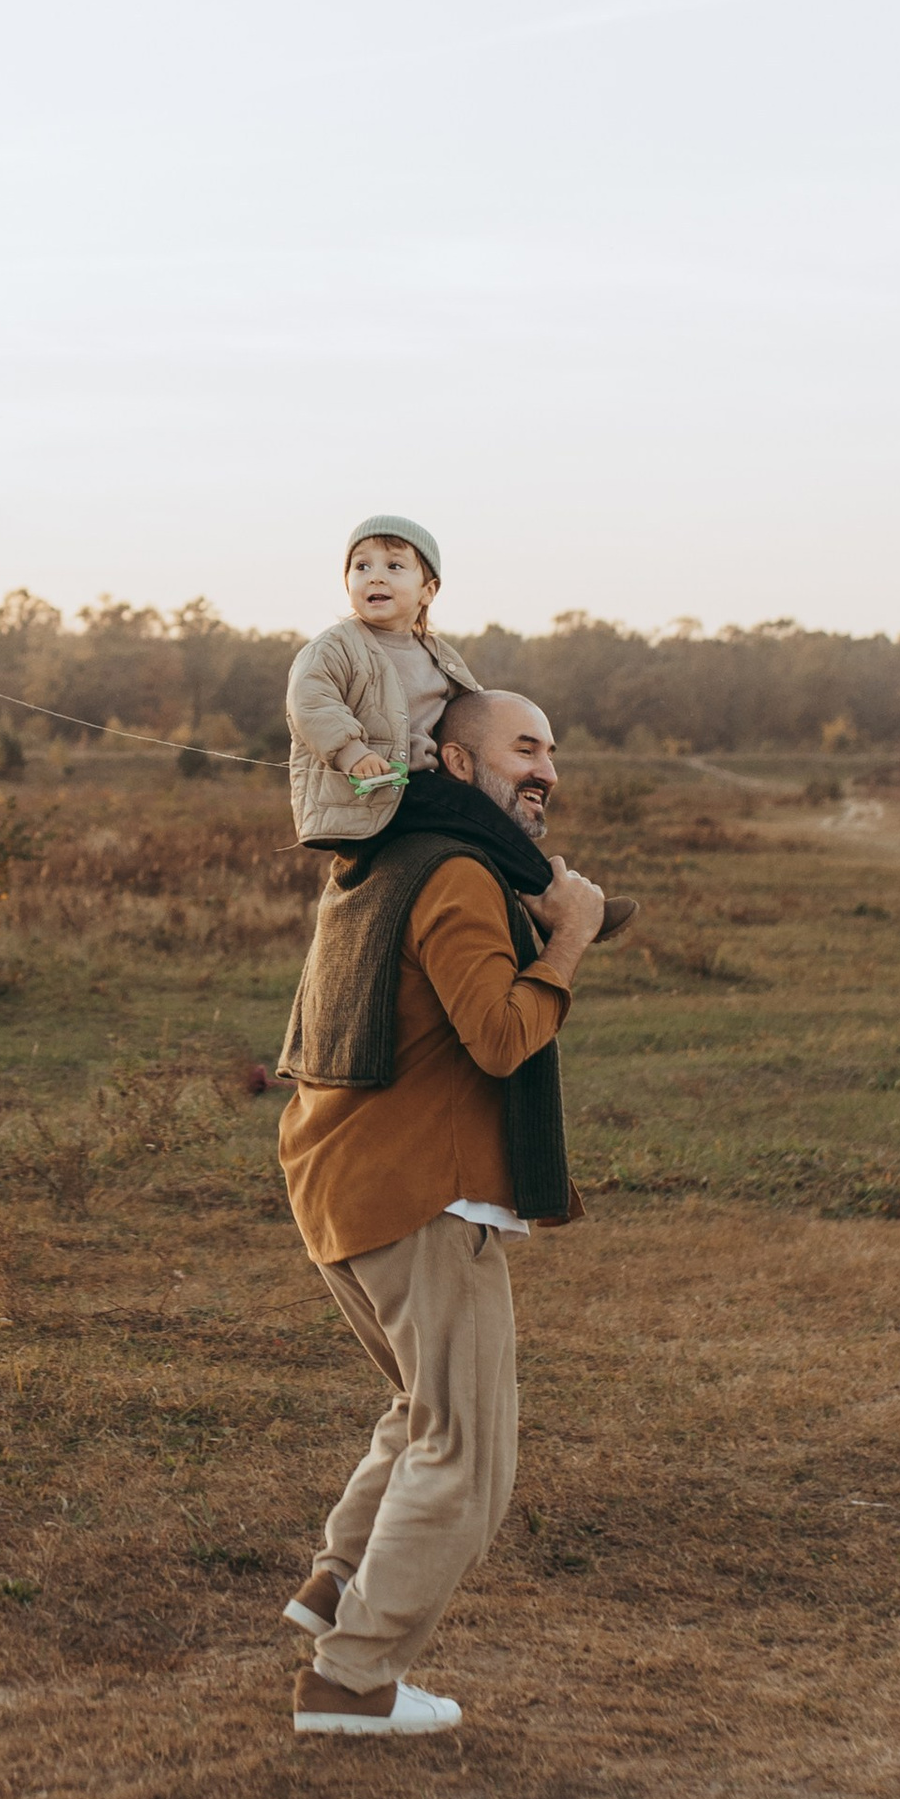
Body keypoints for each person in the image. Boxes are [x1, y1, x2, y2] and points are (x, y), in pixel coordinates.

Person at [272, 689, 606, 1739]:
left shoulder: (382, 857)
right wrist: (568, 943)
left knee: (424, 1411)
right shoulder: (457, 872)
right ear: (456, 764)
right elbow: (501, 1036)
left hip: (344, 1184)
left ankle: (339, 1581)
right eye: (524, 747)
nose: (546, 768)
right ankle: (352, 1681)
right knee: (467, 1455)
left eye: (552, 749)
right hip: (421, 1194)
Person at [284, 517, 482, 851]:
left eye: (394, 566)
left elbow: (473, 712)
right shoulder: (333, 648)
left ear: (428, 591)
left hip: (422, 785)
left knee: (485, 823)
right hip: (368, 790)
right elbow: (311, 704)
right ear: (347, 583)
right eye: (362, 566)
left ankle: (531, 879)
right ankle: (541, 881)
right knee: (477, 814)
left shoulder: (440, 657)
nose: (375, 576)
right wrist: (353, 754)